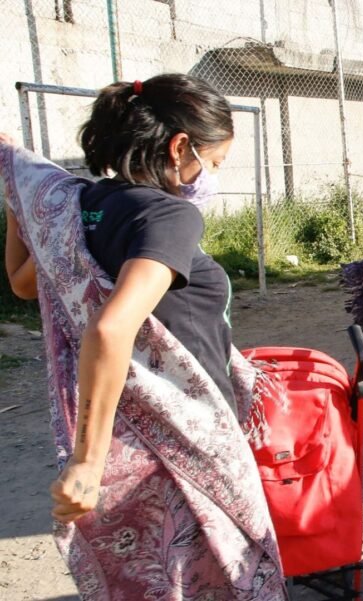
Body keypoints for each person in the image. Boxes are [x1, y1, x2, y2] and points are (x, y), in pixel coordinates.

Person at [1, 75, 287, 598]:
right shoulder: (168, 215)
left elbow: (23, 281)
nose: (211, 177)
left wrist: (21, 197)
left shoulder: (80, 206)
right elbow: (110, 326)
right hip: (181, 438)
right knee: (228, 578)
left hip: (125, 445)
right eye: (214, 162)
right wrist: (86, 461)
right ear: (181, 148)